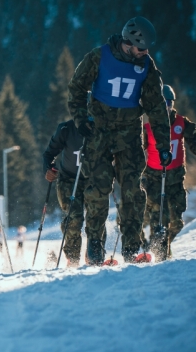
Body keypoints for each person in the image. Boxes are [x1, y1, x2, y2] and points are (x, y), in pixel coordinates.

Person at [68, 16, 171, 265]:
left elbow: (156, 106)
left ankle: (132, 247)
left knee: (133, 190)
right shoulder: (98, 56)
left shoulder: (146, 66)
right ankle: (94, 245)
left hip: (129, 134)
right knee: (98, 189)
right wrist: (81, 120)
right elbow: (77, 87)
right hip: (99, 132)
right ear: (129, 42)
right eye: (142, 48)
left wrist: (163, 144)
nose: (145, 53)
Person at [140, 84, 196, 258]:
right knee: (158, 221)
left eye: (168, 102)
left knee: (176, 223)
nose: (165, 106)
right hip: (154, 179)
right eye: (162, 102)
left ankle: (164, 244)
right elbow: (138, 149)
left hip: (175, 179)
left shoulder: (181, 123)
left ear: (172, 104)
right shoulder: (148, 126)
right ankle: (160, 255)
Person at [42, 120, 88, 267]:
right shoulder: (65, 128)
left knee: (97, 216)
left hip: (92, 179)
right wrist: (47, 169)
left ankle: (94, 252)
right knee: (75, 216)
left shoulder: (101, 125)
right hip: (68, 179)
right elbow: (49, 154)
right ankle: (73, 257)